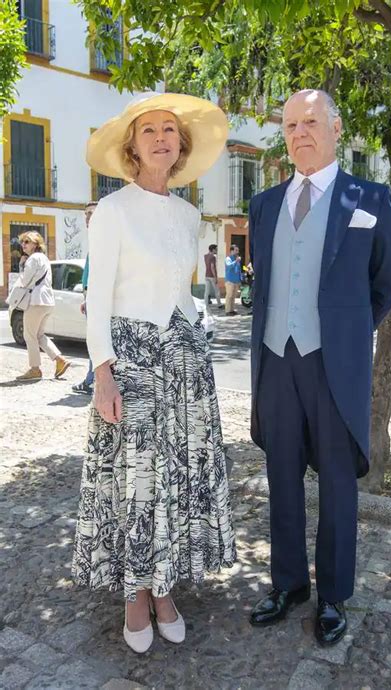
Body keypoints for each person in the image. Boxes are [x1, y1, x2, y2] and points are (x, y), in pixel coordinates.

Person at [71, 92, 236, 654]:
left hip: (185, 359)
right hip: (133, 360)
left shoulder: (191, 216)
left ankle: (164, 588)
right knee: (136, 483)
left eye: (171, 129)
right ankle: (134, 595)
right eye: (150, 131)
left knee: (174, 482)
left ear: (181, 145)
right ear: (133, 147)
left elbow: (183, 292)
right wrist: (103, 374)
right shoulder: (112, 212)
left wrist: (198, 333)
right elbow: (97, 297)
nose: (162, 137)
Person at [248, 89, 391, 646]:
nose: (299, 133)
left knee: (338, 483)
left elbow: (387, 284)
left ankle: (334, 594)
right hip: (275, 360)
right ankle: (289, 583)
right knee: (281, 477)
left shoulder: (371, 198)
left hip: (333, 364)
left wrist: (346, 328)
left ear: (336, 127)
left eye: (310, 121)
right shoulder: (264, 205)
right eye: (290, 125)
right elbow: (265, 284)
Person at [14, 231, 71, 381]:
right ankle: (60, 360)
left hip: (36, 301)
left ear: (35, 244)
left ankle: (35, 369)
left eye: (27, 242)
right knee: (38, 335)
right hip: (47, 302)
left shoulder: (32, 259)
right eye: (22, 242)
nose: (23, 245)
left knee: (29, 335)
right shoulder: (44, 258)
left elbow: (24, 281)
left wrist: (21, 265)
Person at [72, 201, 98, 395]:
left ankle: (92, 381)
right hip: (91, 297)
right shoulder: (96, 237)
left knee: (96, 342)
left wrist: (91, 297)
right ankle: (91, 379)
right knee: (94, 341)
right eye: (86, 214)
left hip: (97, 298)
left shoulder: (103, 238)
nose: (87, 218)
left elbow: (100, 272)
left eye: (91, 213)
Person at [204, 243, 223, 308]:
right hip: (212, 276)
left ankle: (206, 305)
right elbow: (212, 267)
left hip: (206, 275)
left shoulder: (205, 256)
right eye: (216, 249)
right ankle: (219, 304)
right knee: (217, 290)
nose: (217, 251)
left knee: (207, 291)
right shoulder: (213, 257)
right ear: (213, 250)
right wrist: (215, 277)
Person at [225, 244, 241, 315]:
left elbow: (238, 270)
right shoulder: (228, 259)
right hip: (230, 281)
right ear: (231, 251)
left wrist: (240, 279)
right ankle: (228, 311)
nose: (237, 252)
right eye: (236, 250)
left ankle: (232, 310)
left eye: (238, 250)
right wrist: (236, 261)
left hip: (236, 281)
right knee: (229, 296)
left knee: (233, 297)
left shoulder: (237, 259)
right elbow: (229, 267)